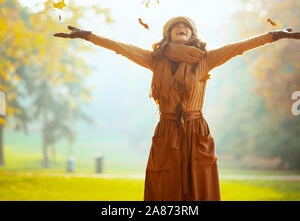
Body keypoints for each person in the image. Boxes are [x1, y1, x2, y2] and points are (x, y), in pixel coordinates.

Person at [54, 17, 300, 201]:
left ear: (192, 34)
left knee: (200, 190)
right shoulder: (155, 59)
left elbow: (239, 47)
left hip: (197, 130)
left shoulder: (206, 58)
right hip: (167, 130)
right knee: (165, 189)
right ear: (168, 34)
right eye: (176, 26)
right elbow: (120, 47)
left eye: (187, 27)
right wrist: (88, 35)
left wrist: (273, 36)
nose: (182, 28)